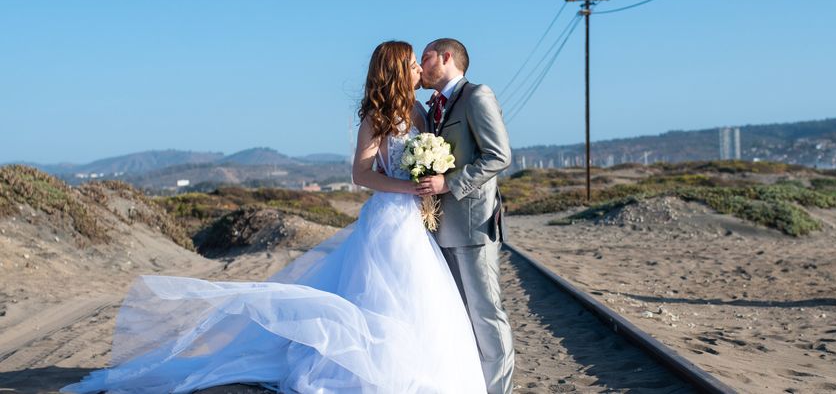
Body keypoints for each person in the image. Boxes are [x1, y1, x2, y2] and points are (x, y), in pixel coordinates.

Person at [62, 41, 486, 393]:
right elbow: (359, 175)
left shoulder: (416, 112)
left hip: (414, 219)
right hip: (387, 218)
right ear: (396, 69)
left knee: (418, 295)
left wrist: (428, 179)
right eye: (411, 63)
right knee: (379, 296)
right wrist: (407, 187)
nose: (417, 68)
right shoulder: (376, 117)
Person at [415, 38, 514, 394]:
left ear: (446, 57)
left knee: (487, 317)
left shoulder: (477, 95)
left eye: (424, 57)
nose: (419, 64)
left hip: (474, 225)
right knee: (460, 319)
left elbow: (499, 155)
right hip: (441, 229)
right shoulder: (432, 107)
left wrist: (448, 183)